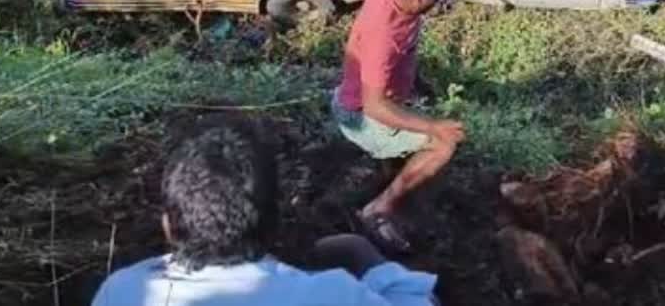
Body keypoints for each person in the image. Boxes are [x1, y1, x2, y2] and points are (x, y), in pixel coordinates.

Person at [90, 116, 438, 306]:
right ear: (274, 222)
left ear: (168, 225)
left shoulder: (124, 291)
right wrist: (363, 256)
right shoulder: (333, 294)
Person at [333, 0, 465, 253]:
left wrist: (417, 86)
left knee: (422, 125)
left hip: (368, 96)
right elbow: (375, 107)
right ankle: (377, 210)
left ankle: (390, 171)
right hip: (359, 115)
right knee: (444, 144)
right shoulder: (385, 37)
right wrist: (434, 126)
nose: (441, 3)